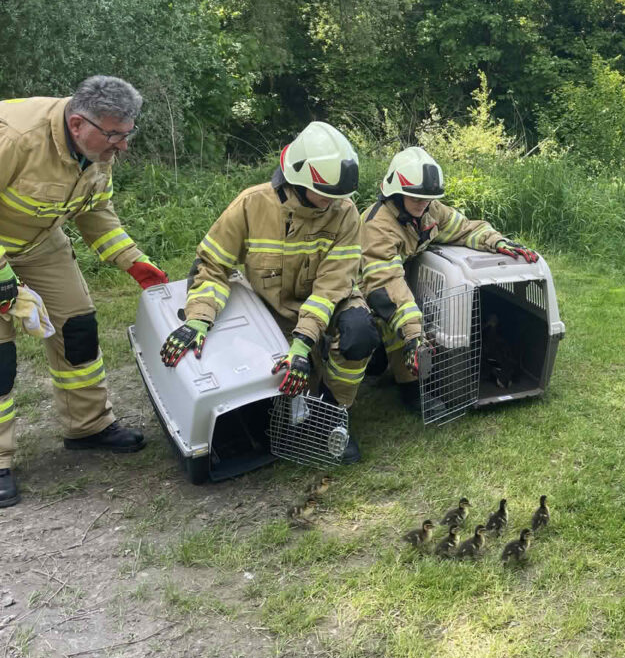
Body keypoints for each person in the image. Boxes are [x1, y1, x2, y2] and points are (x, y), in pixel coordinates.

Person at [0, 76, 169, 509]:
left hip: (38, 238)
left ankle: (88, 426)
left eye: (127, 135)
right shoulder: (14, 136)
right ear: (77, 124)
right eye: (114, 136)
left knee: (78, 325)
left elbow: (94, 210)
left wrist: (132, 259)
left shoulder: (96, 148)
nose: (121, 147)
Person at [160, 122, 377, 463]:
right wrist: (199, 318)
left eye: (340, 196)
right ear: (298, 179)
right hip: (269, 307)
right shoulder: (251, 205)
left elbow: (330, 286)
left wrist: (304, 342)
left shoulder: (346, 212)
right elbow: (212, 267)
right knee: (272, 401)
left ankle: (334, 412)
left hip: (330, 301)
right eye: (327, 194)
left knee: (360, 334)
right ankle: (305, 398)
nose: (334, 203)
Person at [360, 147, 538, 410]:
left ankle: (378, 364)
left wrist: (496, 240)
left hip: (394, 279)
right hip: (365, 288)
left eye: (428, 198)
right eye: (416, 197)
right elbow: (385, 285)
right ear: (395, 193)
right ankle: (411, 392)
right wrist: (413, 333)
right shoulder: (378, 226)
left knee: (407, 315)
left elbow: (465, 228)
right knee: (399, 321)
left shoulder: (430, 210)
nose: (423, 203)